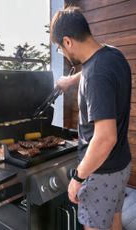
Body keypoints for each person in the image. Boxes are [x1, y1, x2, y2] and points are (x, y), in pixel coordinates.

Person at [50, 6, 132, 230]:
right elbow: (95, 71)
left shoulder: (95, 75)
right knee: (115, 220)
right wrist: (71, 81)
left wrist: (77, 178)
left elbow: (105, 138)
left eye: (60, 48)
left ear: (67, 42)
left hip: (101, 171)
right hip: (121, 164)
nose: (63, 54)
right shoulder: (112, 54)